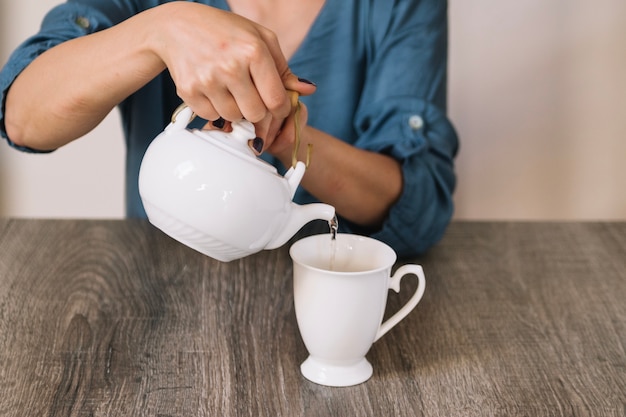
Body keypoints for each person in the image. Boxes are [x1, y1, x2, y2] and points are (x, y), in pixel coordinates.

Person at [0, 0, 458, 257]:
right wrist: (160, 29)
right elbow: (22, 117)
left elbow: (421, 208)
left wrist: (288, 138)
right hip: (150, 285)